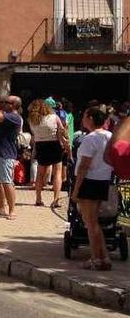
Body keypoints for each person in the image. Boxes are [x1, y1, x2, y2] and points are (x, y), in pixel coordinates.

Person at [71, 107, 113, 271]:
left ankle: (95, 258)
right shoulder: (109, 136)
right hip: (103, 180)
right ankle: (105, 257)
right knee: (95, 222)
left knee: (90, 223)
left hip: (89, 181)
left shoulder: (90, 139)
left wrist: (76, 190)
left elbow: (84, 166)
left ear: (89, 118)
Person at [0, 93, 23, 220]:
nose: (3, 104)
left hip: (6, 154)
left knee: (7, 182)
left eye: (6, 102)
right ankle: (1, 208)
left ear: (14, 105)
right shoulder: (7, 116)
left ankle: (12, 210)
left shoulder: (14, 117)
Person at [28, 99, 69, 208]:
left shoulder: (32, 120)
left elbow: (34, 134)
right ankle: (55, 200)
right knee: (57, 173)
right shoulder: (54, 117)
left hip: (40, 145)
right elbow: (61, 130)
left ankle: (38, 198)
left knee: (40, 174)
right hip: (54, 144)